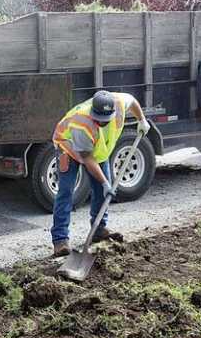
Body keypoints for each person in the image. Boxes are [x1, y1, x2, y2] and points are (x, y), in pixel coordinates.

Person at [50, 90, 150, 257]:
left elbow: (132, 101)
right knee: (66, 191)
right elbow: (87, 159)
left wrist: (142, 120)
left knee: (102, 193)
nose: (101, 123)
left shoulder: (118, 102)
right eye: (98, 120)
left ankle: (99, 229)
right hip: (68, 146)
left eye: (105, 121)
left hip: (97, 150)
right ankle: (60, 240)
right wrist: (104, 183)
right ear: (92, 112)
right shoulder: (81, 123)